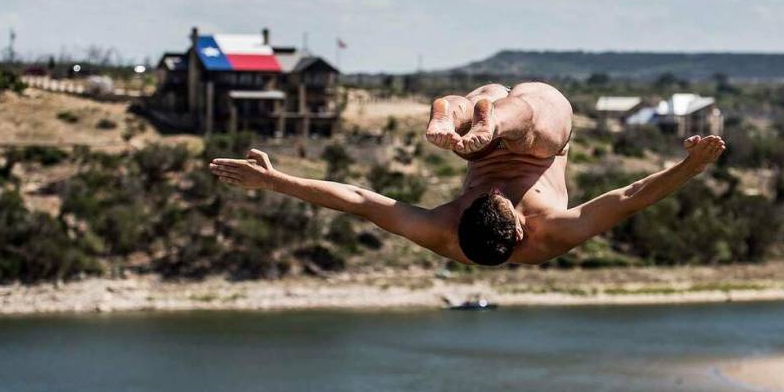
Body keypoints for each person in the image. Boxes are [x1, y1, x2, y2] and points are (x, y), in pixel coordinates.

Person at [209, 82, 725, 266]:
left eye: (489, 196)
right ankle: (488, 119)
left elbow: (360, 200)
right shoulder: (551, 235)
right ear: (523, 228)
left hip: (475, 147)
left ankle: (457, 115)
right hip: (539, 134)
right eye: (503, 199)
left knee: (477, 103)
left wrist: (277, 181)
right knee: (532, 116)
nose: (499, 190)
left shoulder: (441, 232)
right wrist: (690, 166)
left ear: (460, 218)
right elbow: (632, 195)